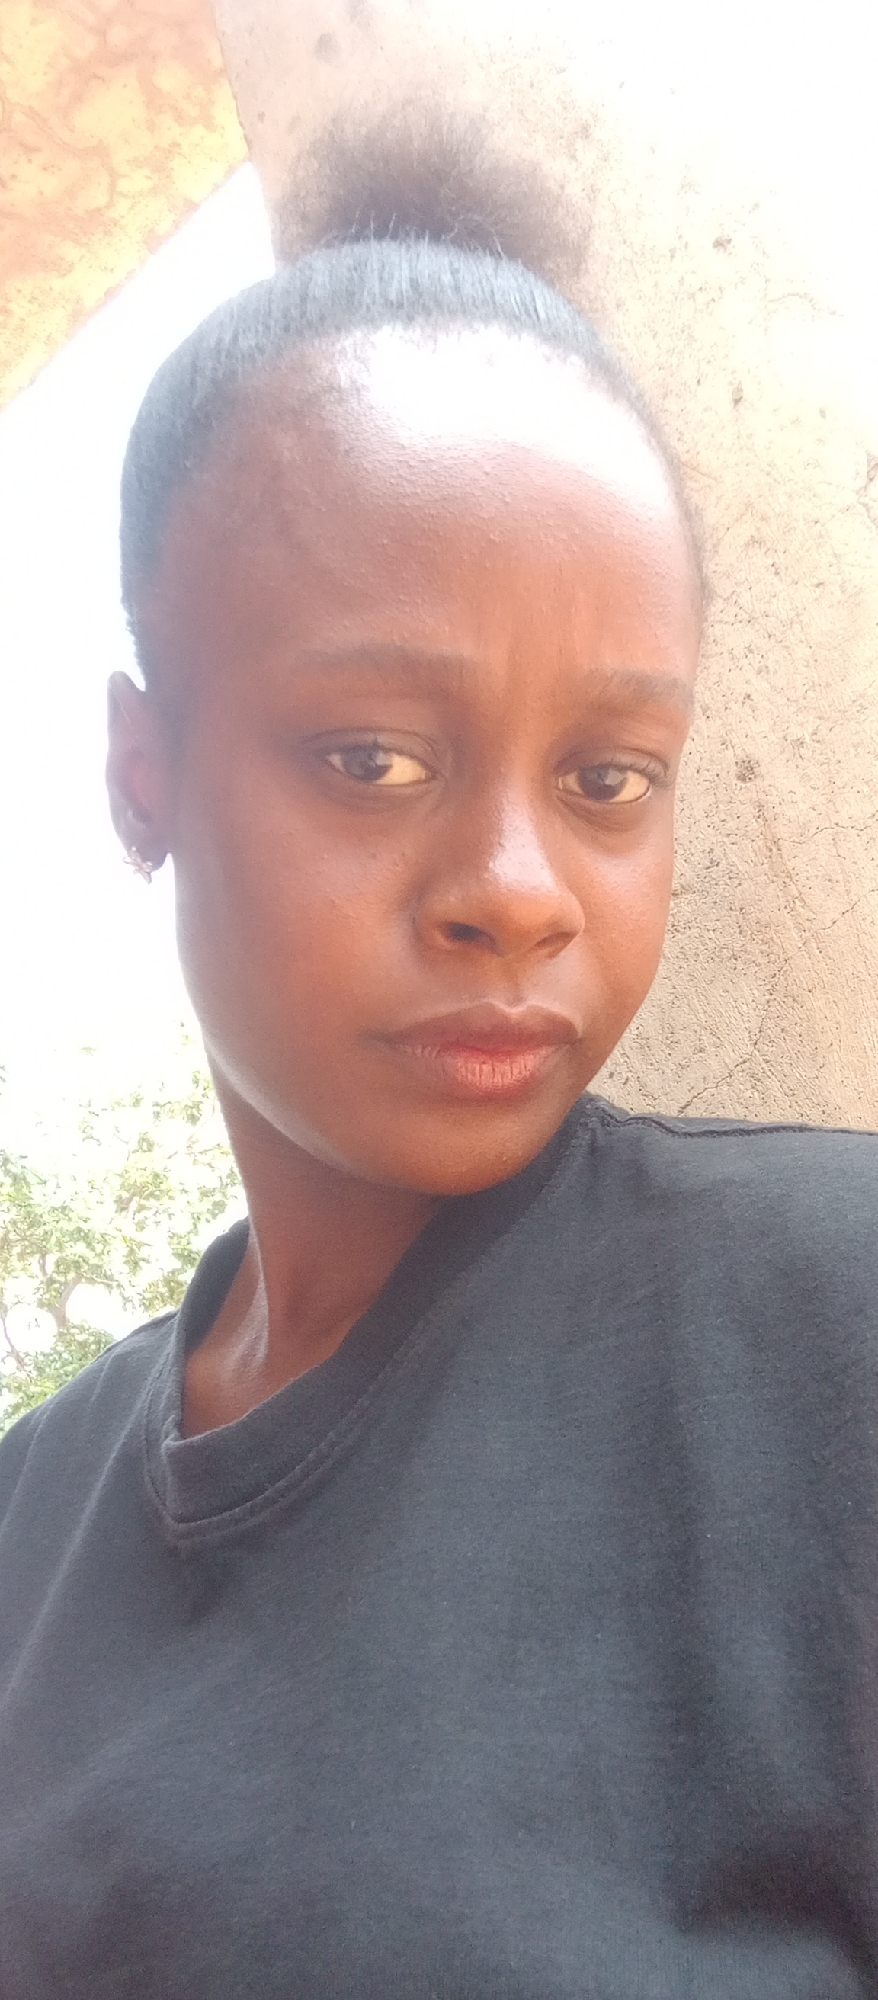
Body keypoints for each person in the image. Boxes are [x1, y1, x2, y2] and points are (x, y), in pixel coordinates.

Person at [1, 130, 878, 2000]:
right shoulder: (29, 1529)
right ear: (144, 776)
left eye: (606, 778)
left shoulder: (827, 1326)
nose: (516, 891)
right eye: (374, 760)